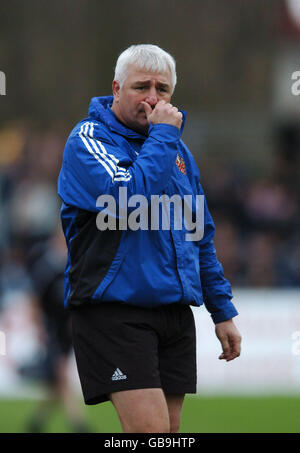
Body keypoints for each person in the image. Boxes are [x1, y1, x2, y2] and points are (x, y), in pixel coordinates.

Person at [58, 44, 242, 433]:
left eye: (164, 89)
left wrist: (221, 309)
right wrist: (162, 136)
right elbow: (127, 200)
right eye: (142, 86)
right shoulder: (88, 139)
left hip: (173, 313)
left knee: (169, 436)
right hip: (115, 311)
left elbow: (199, 235)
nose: (154, 98)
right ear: (116, 88)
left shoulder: (176, 152)